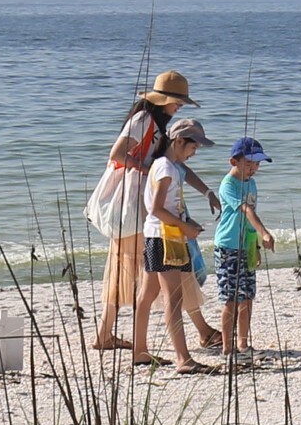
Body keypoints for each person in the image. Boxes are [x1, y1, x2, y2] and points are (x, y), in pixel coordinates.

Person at [94, 70, 223, 351]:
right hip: (137, 207)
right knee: (158, 266)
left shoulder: (158, 126)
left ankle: (105, 335)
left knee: (139, 268)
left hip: (145, 208)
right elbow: (117, 154)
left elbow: (176, 164)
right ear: (163, 99)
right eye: (178, 102)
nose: (179, 107)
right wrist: (150, 169)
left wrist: (207, 192)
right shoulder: (143, 120)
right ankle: (202, 331)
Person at [133, 118, 221, 374]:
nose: (194, 154)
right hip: (165, 238)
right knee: (173, 297)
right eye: (193, 148)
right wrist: (184, 228)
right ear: (179, 142)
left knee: (147, 294)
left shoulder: (166, 165)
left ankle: (140, 351)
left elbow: (165, 209)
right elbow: (157, 209)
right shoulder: (166, 168)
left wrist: (187, 222)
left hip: (156, 235)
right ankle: (183, 359)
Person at [214, 137, 276, 356]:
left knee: (247, 297)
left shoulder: (251, 183)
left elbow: (251, 218)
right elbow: (247, 211)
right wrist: (265, 232)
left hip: (247, 245)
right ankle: (227, 347)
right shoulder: (228, 185)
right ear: (234, 161)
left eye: (257, 164)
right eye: (249, 163)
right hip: (228, 247)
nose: (254, 168)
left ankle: (243, 343)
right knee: (230, 299)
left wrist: (256, 246)